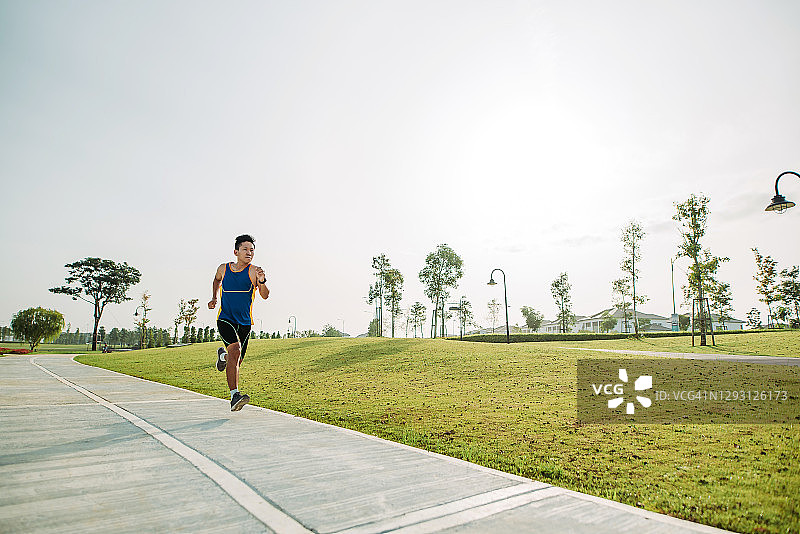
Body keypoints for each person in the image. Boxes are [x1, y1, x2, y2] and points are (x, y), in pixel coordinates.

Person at [208, 234, 269, 411]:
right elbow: (216, 280)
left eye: (252, 250)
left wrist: (262, 281)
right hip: (225, 318)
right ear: (236, 251)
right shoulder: (223, 268)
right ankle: (235, 396)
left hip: (244, 323)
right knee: (235, 349)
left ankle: (223, 357)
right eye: (245, 249)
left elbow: (265, 295)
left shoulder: (254, 271)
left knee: (236, 361)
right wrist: (214, 297)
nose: (249, 252)